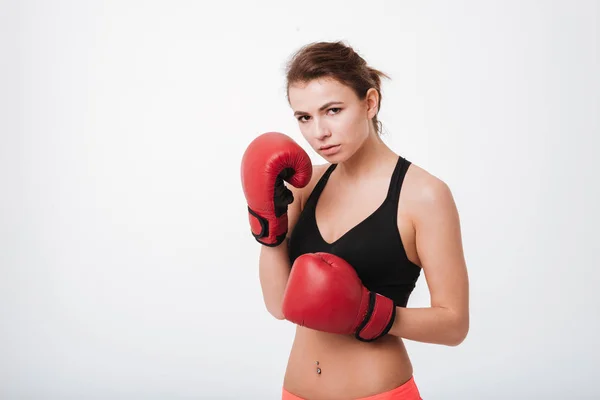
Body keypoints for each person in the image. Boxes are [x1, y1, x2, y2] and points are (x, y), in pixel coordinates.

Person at [241, 40, 469, 400]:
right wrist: (267, 228)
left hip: (378, 392)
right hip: (295, 392)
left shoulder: (423, 195)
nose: (319, 132)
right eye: (304, 117)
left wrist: (371, 314)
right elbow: (279, 306)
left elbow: (454, 325)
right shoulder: (305, 187)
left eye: (332, 110)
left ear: (370, 102)